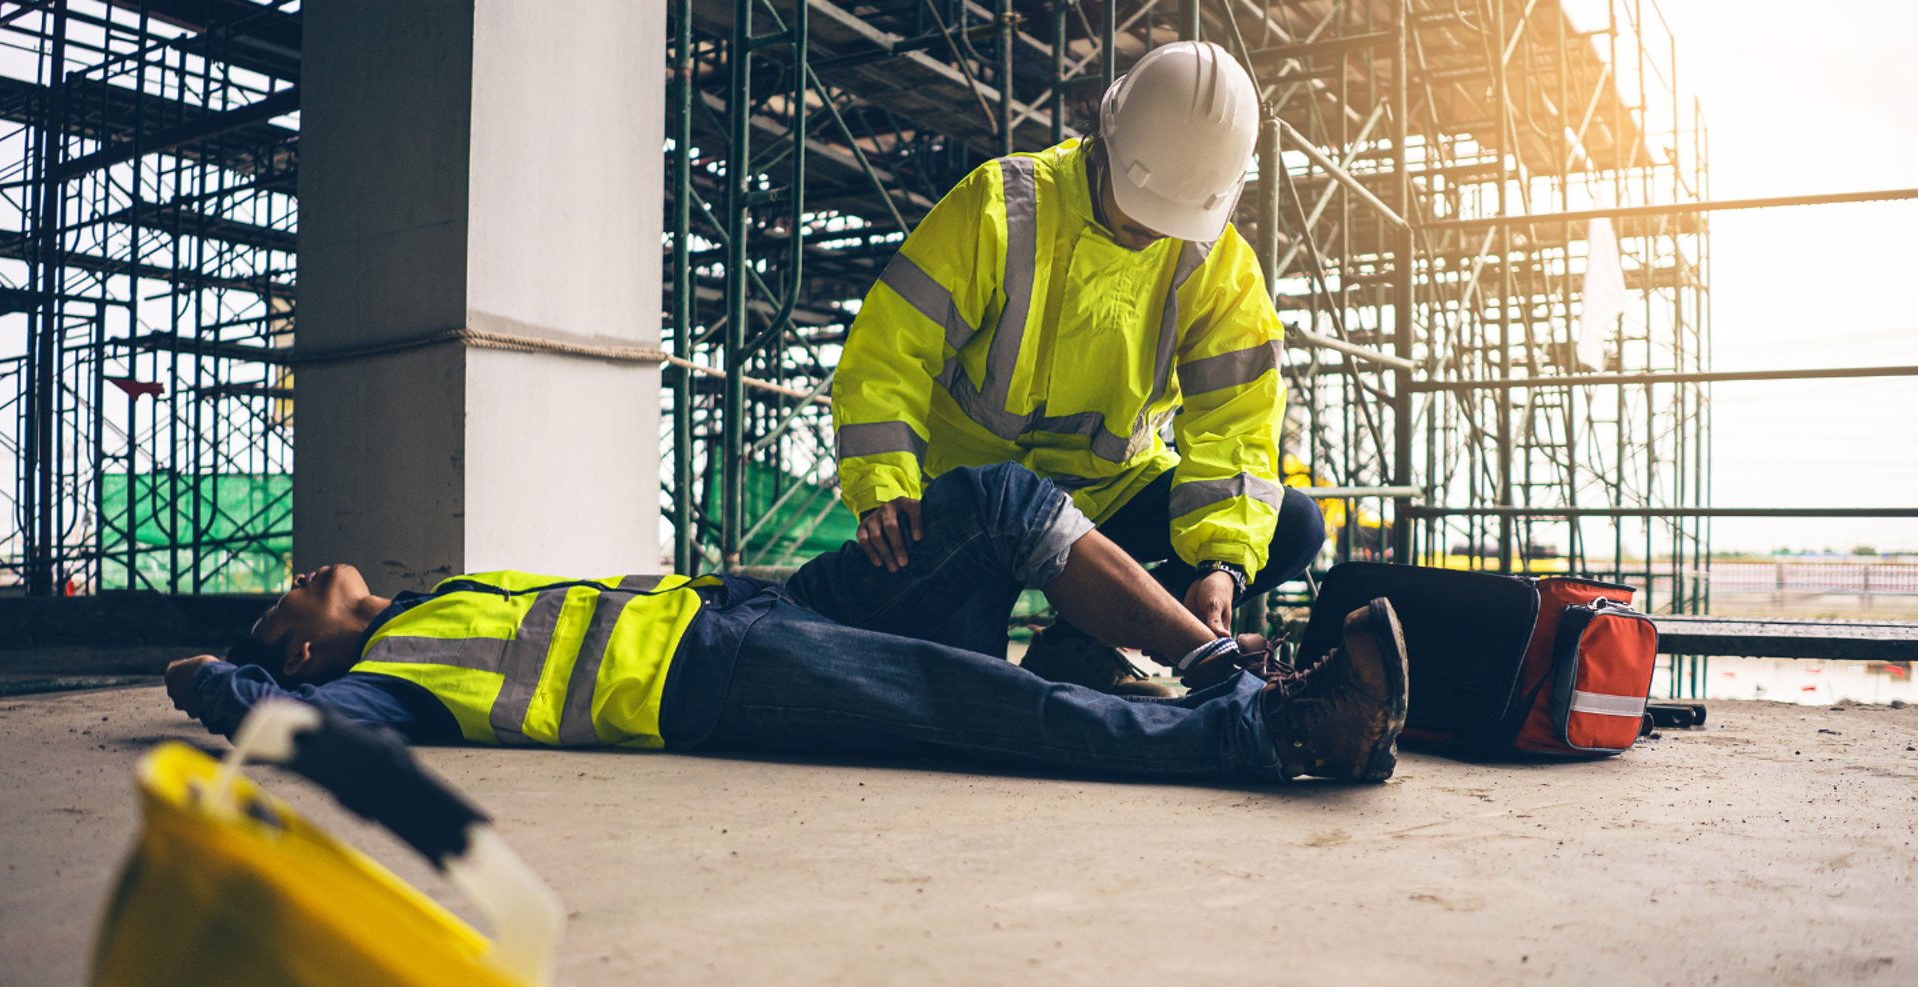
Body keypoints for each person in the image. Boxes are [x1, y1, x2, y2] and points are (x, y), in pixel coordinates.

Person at [167, 464, 1407, 786]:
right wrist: (214, 677)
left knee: (988, 509)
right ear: (305, 643)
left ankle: (1212, 664)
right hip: (716, 680)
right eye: (282, 603)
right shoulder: (383, 679)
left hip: (740, 607)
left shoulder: (433, 599)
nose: (303, 572)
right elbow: (287, 724)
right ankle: (1273, 735)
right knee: (981, 709)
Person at [830, 41, 1325, 695]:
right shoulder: (1001, 206)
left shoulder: (1219, 268)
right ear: (1106, 140)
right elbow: (888, 351)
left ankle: (1082, 642)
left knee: (1294, 524)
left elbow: (1236, 426)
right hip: (978, 506)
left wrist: (1220, 564)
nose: (1153, 232)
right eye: (1140, 209)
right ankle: (1057, 632)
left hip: (1107, 497)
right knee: (967, 680)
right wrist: (885, 488)